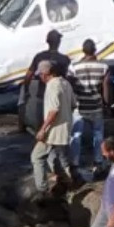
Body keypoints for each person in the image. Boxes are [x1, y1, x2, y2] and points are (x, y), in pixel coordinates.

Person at [32, 60, 76, 193]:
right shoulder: (65, 83)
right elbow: (73, 104)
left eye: (40, 75)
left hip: (53, 131)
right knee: (58, 156)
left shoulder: (52, 86)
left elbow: (53, 111)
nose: (40, 77)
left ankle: (42, 189)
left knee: (36, 156)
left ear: (46, 73)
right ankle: (67, 180)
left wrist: (43, 129)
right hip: (65, 128)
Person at [18, 30, 72, 134]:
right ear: (59, 43)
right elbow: (67, 79)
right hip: (56, 96)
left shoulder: (39, 57)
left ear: (47, 42)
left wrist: (26, 89)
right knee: (55, 125)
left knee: (40, 123)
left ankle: (26, 128)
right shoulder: (65, 59)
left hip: (41, 95)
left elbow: (29, 74)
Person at [69, 39, 111, 172]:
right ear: (95, 50)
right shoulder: (104, 67)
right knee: (98, 135)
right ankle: (98, 161)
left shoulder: (73, 67)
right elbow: (106, 88)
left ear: (83, 51)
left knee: (76, 135)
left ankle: (74, 163)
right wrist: (107, 105)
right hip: (96, 106)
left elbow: (72, 88)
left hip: (79, 107)